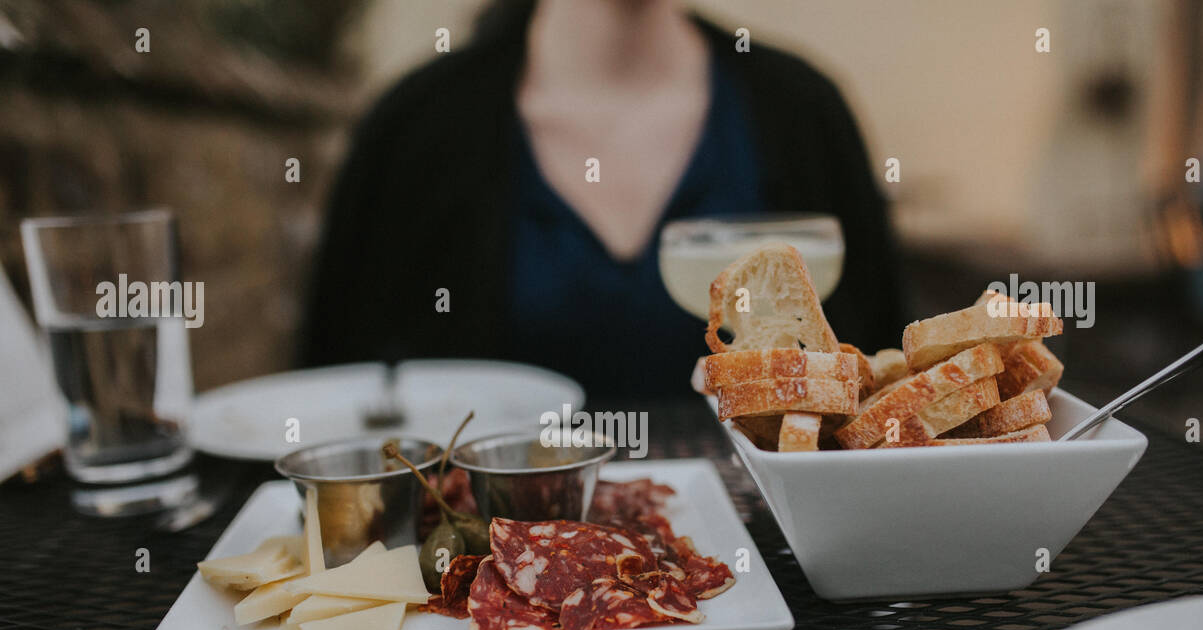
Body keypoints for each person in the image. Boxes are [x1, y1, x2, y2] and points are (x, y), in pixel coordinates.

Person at [303, 0, 909, 401]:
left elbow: (885, 386)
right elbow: (337, 396)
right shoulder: (415, 128)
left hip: (778, 574)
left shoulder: (803, 113)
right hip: (484, 577)